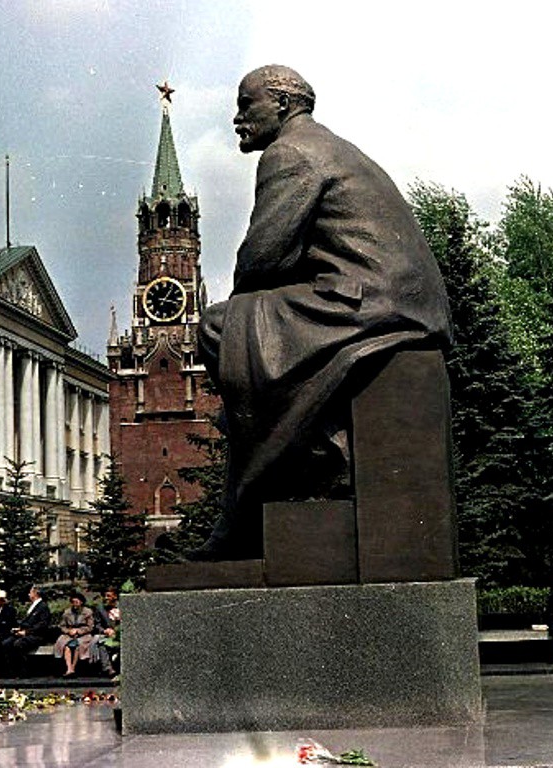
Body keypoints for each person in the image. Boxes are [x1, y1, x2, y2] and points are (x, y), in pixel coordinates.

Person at [189, 65, 452, 560]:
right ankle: (312, 456)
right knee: (251, 336)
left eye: (247, 105)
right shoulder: (330, 146)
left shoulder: (290, 152)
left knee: (222, 327)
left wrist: (252, 309)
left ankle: (272, 492)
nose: (237, 118)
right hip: (390, 299)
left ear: (283, 104)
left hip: (370, 305)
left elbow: (264, 258)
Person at [1, 585, 52, 678]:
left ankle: (23, 671)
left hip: (37, 635)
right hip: (25, 633)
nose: (29, 594)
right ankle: (11, 671)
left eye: (30, 592)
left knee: (18, 644)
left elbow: (42, 625)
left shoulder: (43, 607)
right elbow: (27, 622)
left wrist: (27, 632)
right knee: (6, 643)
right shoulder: (33, 606)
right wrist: (19, 629)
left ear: (36, 593)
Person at [54, 592, 94, 678]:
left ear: (81, 602)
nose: (75, 604)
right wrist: (69, 631)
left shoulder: (88, 612)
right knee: (66, 645)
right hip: (69, 634)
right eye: (73, 602)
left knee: (78, 646)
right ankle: (69, 669)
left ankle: (73, 667)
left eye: (77, 602)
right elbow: (62, 626)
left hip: (83, 634)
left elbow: (90, 627)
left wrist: (78, 631)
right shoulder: (67, 612)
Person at [90, 587, 121, 677]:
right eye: (105, 596)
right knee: (102, 645)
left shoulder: (123, 607)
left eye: (109, 596)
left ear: (115, 596)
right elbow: (97, 625)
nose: (106, 598)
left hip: (121, 634)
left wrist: (117, 630)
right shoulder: (100, 609)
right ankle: (108, 669)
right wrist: (105, 630)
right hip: (108, 636)